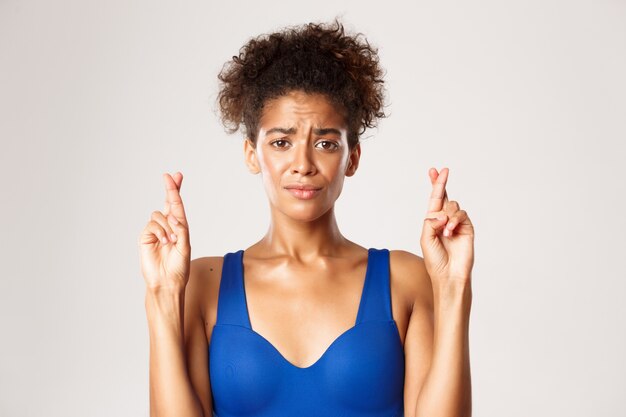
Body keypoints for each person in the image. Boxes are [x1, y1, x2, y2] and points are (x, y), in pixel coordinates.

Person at [139, 18, 474, 417]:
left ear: (352, 158)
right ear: (251, 154)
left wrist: (453, 289)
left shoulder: (407, 280)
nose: (303, 164)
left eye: (326, 143)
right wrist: (162, 297)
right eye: (281, 142)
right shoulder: (199, 287)